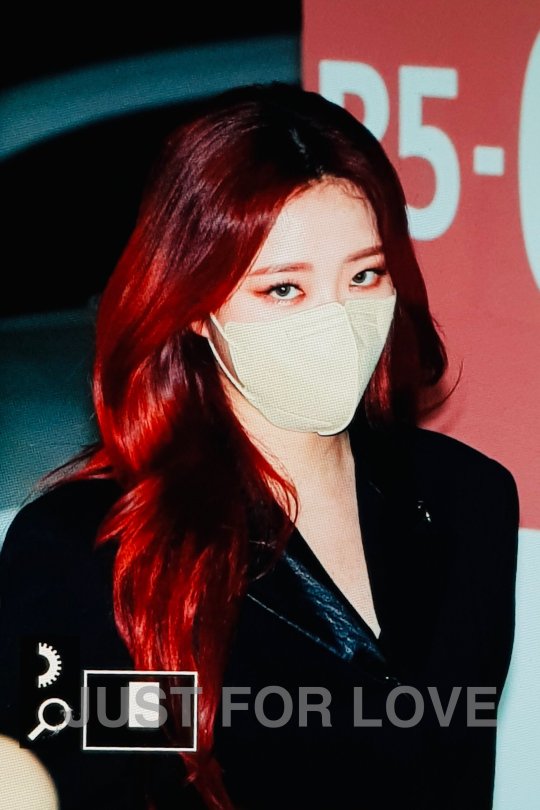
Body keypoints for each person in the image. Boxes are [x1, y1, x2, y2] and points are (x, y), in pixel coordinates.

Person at [0, 82, 520, 810]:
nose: (336, 320)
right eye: (283, 289)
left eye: (364, 275)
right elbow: (54, 769)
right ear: (193, 305)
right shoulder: (93, 550)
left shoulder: (470, 501)